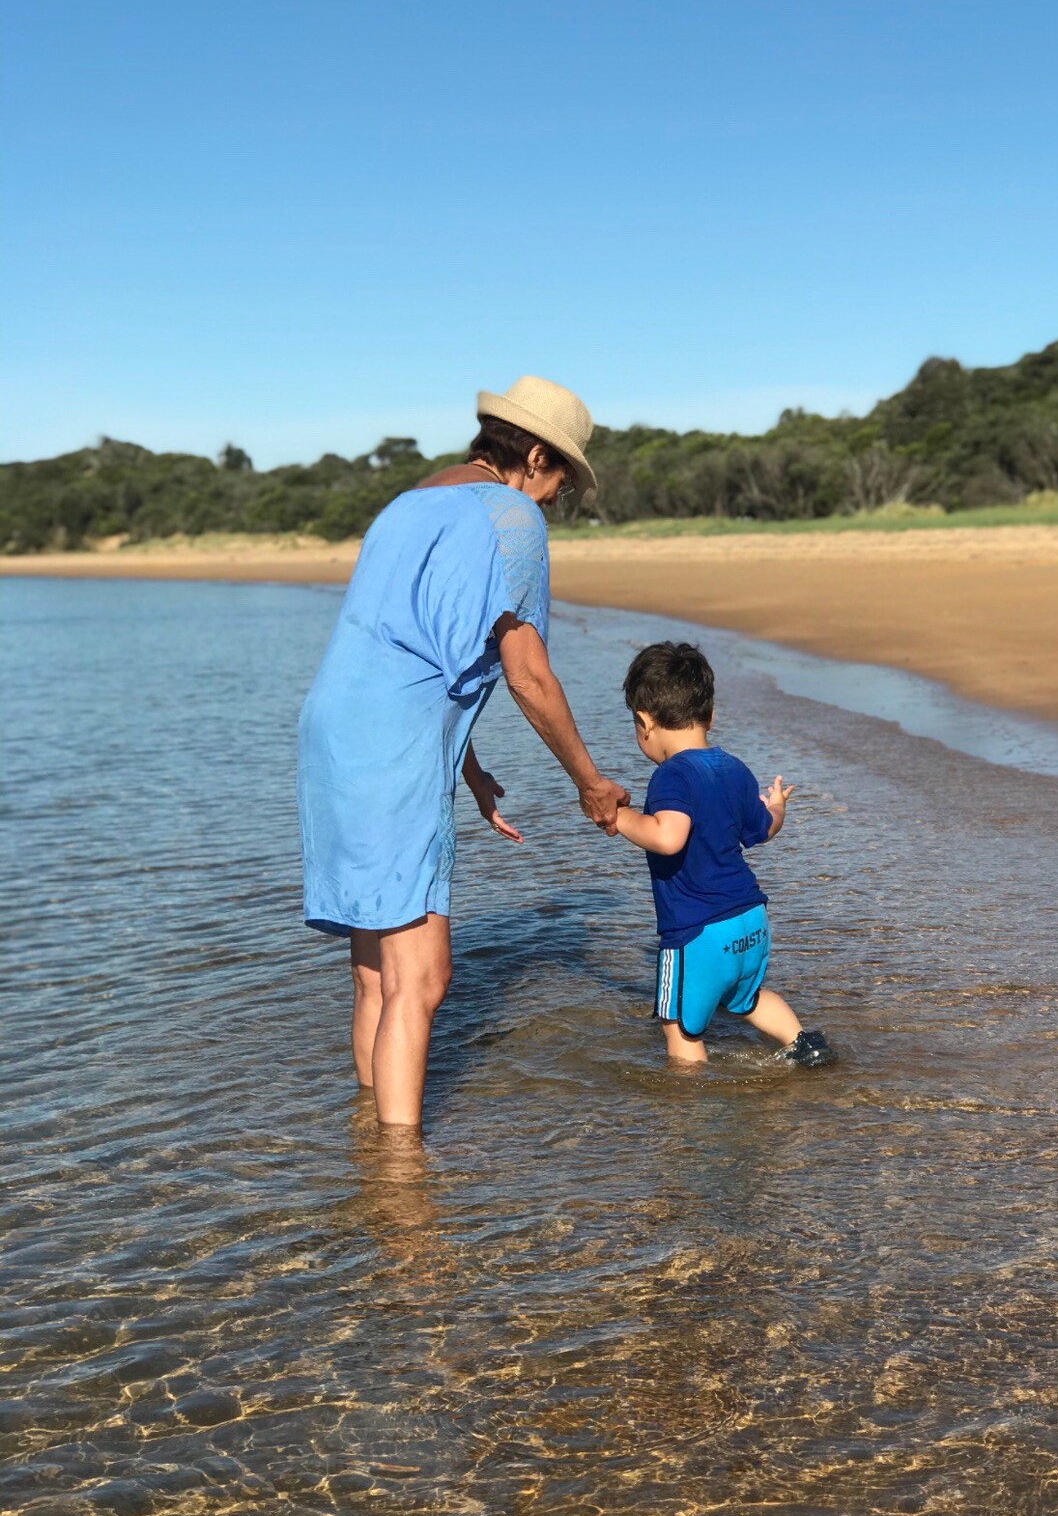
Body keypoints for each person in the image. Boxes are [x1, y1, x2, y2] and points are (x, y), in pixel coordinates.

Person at [298, 377, 629, 1127]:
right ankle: (402, 1184)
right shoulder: (510, 516)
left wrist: (470, 770)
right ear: (535, 455)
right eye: (558, 484)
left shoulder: (410, 501)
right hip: (395, 744)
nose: (553, 502)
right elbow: (529, 673)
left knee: (378, 974)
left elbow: (412, 647)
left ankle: (368, 1140)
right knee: (423, 976)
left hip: (331, 727)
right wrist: (589, 780)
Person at [613, 641, 837, 1067]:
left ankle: (689, 1115)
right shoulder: (734, 768)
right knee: (747, 998)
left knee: (678, 1027)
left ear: (644, 722)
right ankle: (806, 1046)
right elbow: (765, 828)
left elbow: (668, 837)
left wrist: (618, 817)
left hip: (698, 932)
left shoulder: (671, 775)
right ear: (710, 716)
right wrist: (777, 807)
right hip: (751, 921)